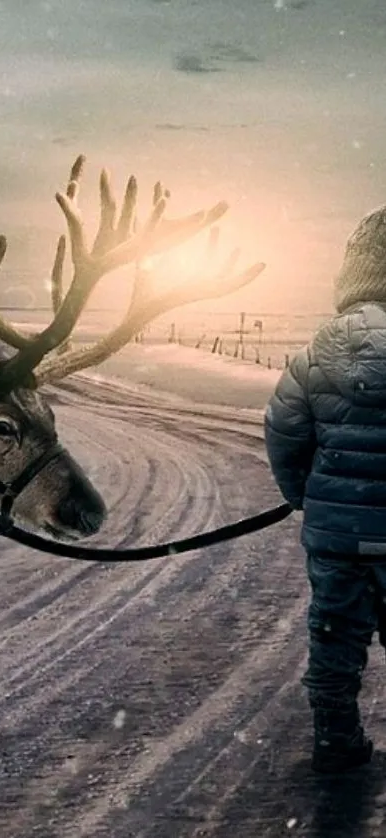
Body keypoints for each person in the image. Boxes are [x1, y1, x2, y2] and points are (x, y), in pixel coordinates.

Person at [264, 206, 386, 774]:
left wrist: (302, 497)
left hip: (337, 539)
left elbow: (284, 436)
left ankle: (336, 739)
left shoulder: (315, 356)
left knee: (334, 638)